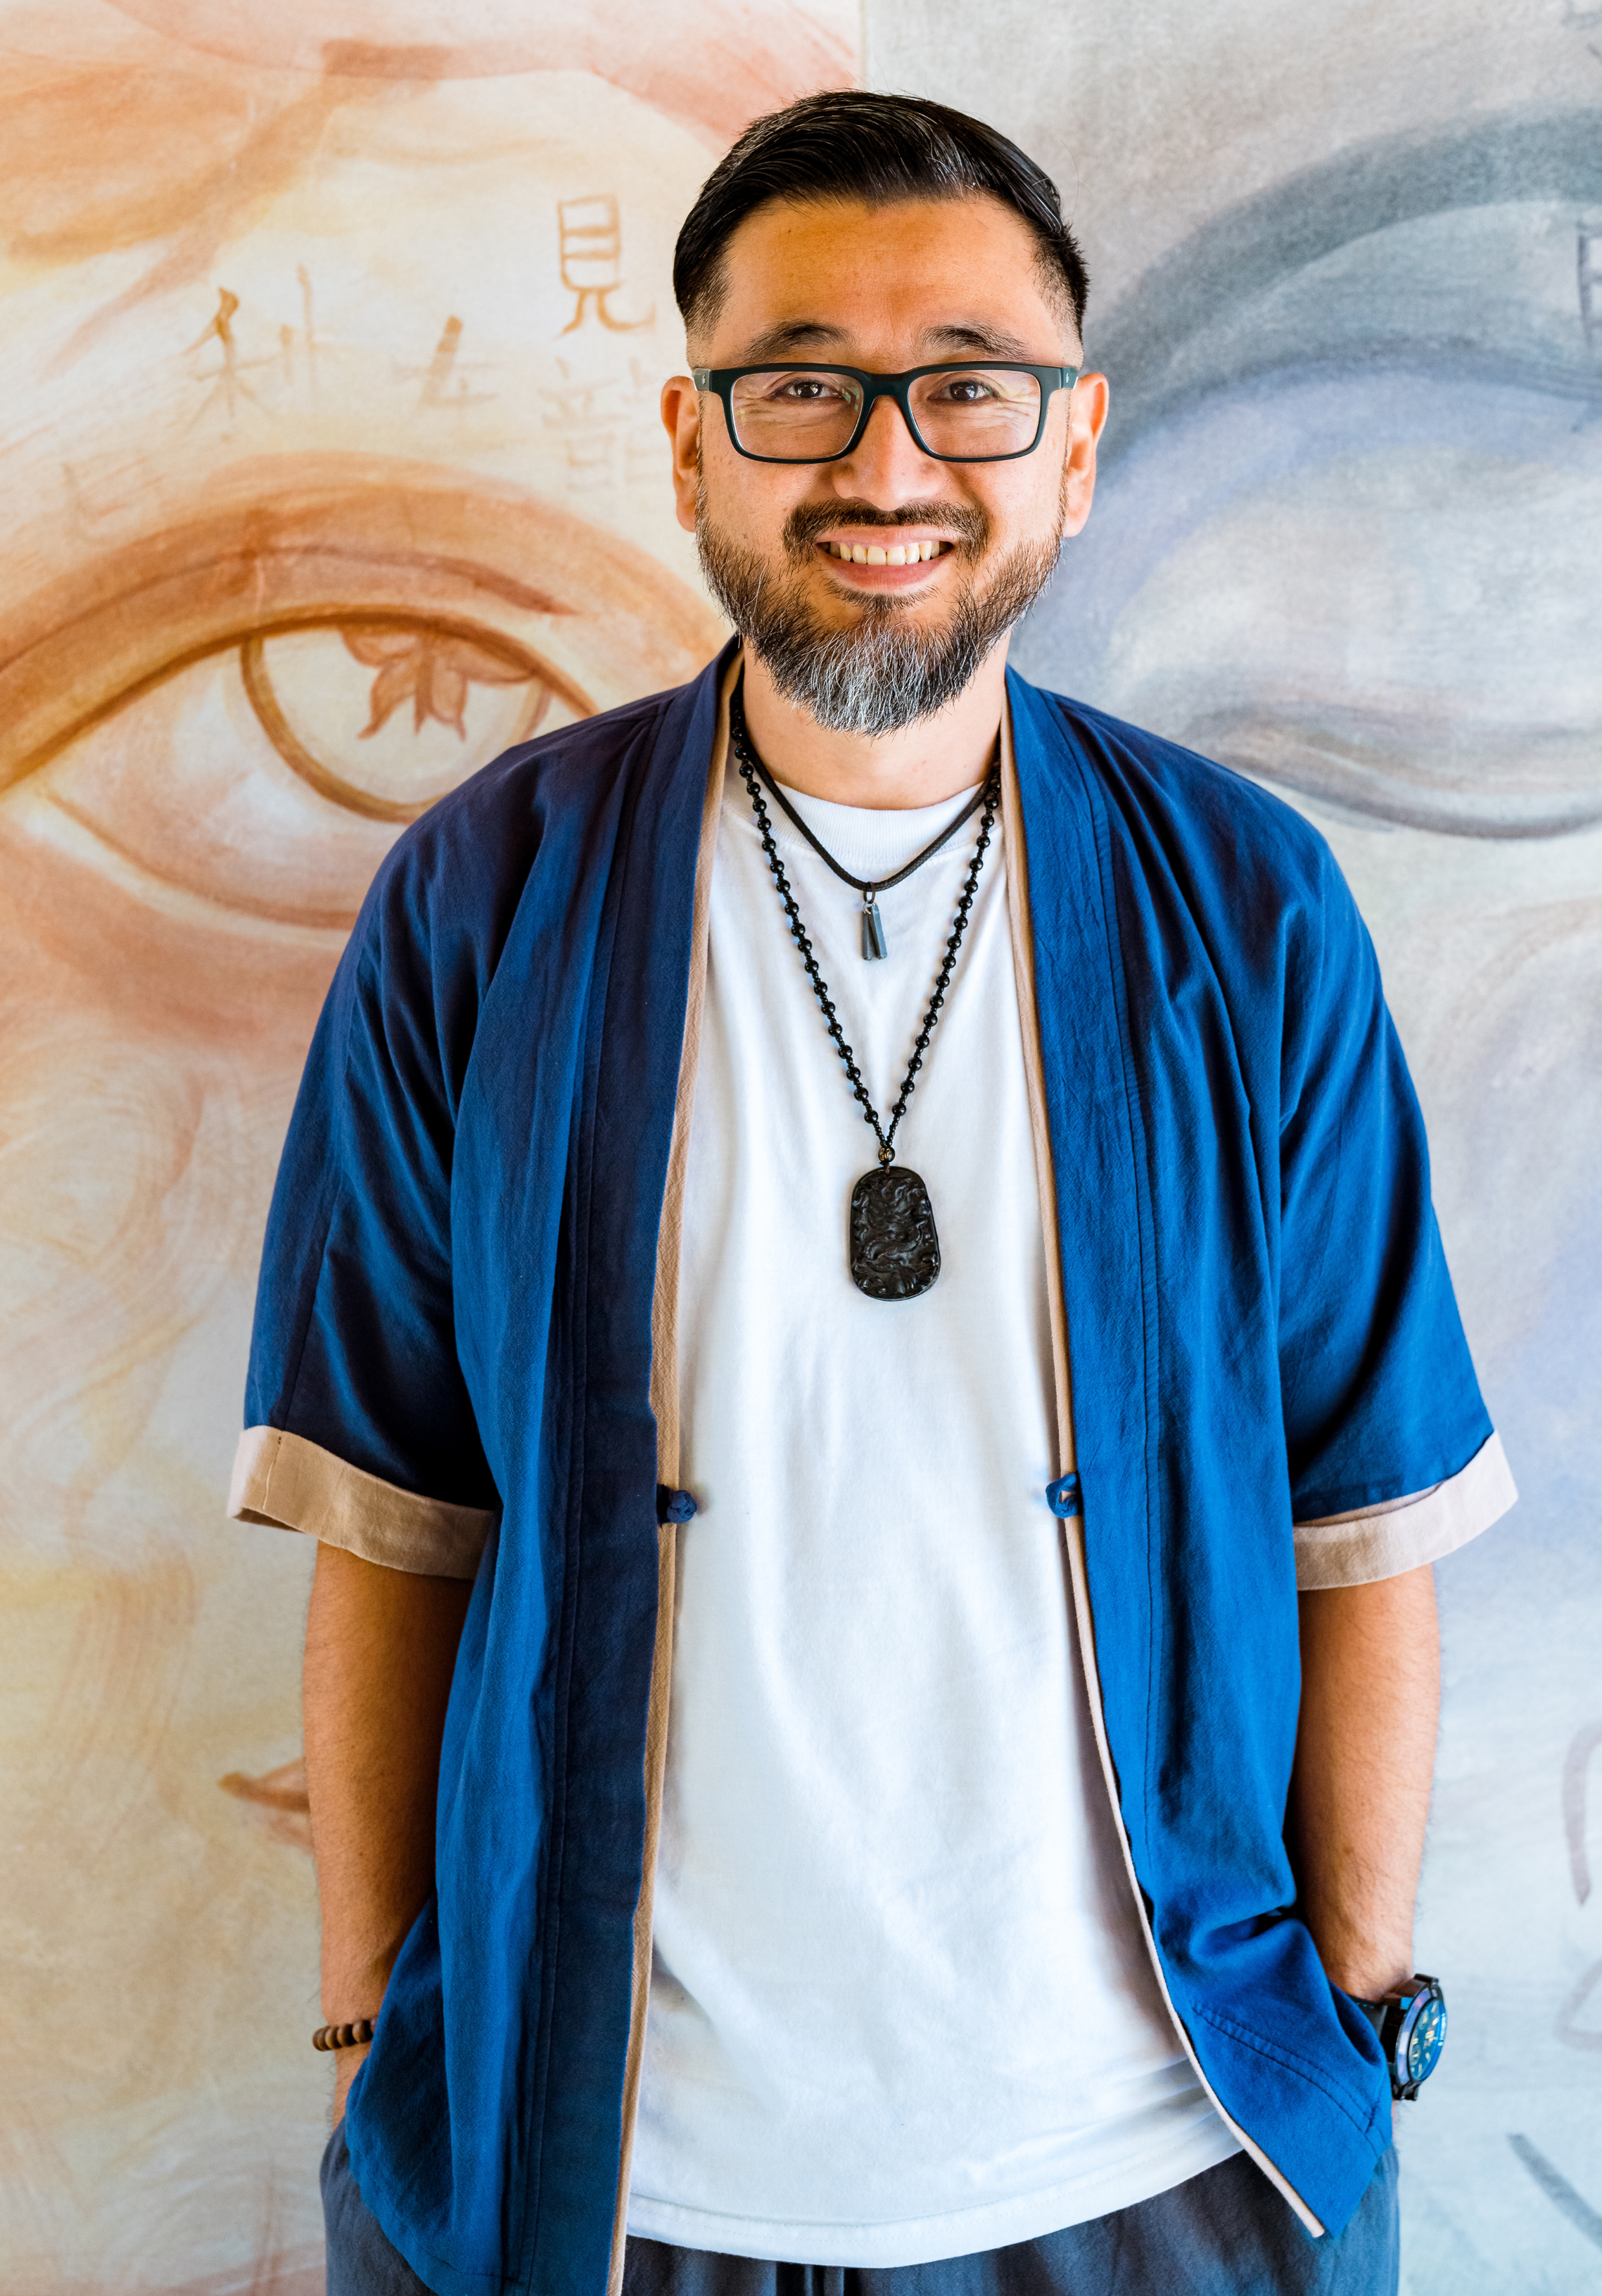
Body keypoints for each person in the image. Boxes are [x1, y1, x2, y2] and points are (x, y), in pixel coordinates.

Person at [231, 89, 1516, 2296]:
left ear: (1075, 443)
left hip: (1157, 2170)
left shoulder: (1244, 910)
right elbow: (386, 1511)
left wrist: (1361, 2014)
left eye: (969, 389)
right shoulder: (486, 897)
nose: (890, 462)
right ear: (691, 434)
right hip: (599, 2176)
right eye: (802, 384)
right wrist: (372, 2039)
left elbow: (1363, 1521)